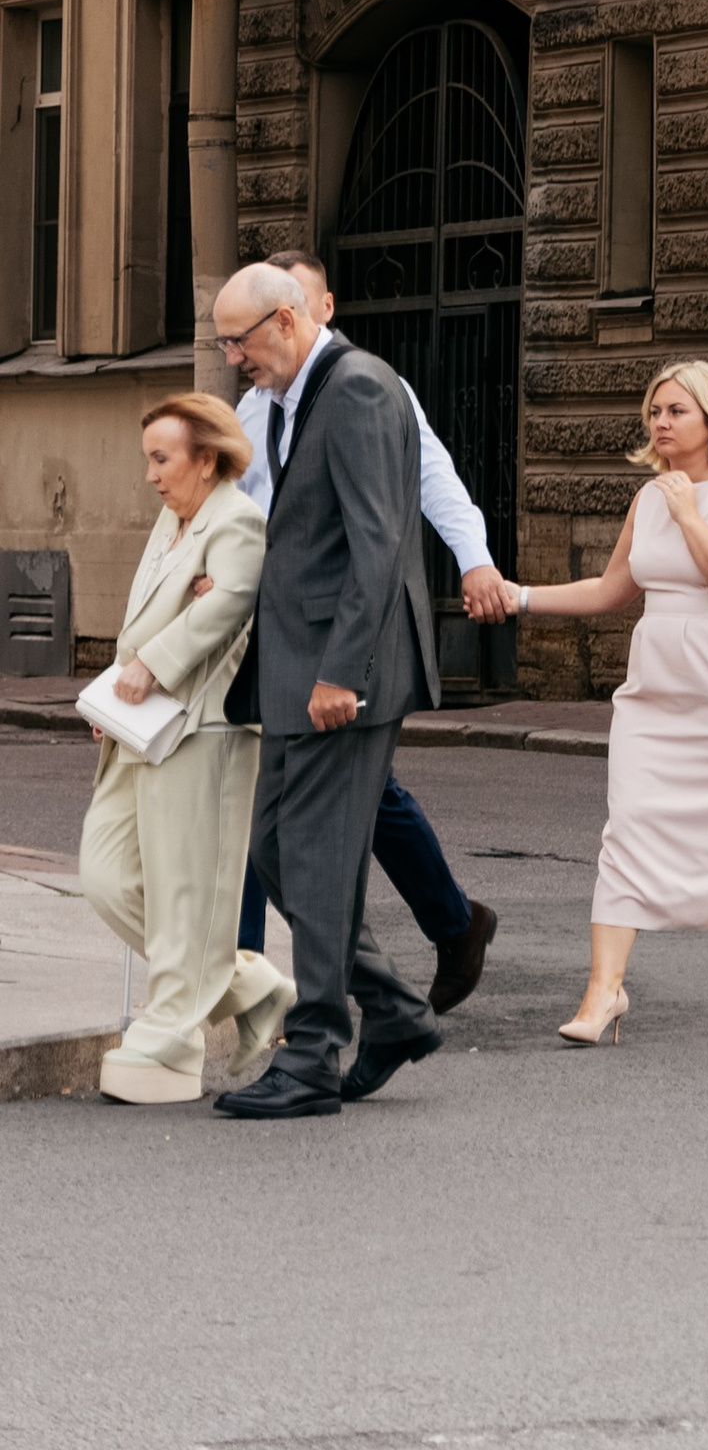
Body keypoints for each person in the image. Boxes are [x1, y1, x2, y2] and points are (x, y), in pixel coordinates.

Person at [233, 247, 501, 1016]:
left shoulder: (363, 389)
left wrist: (474, 561)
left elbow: (416, 495)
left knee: (310, 829)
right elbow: (244, 511)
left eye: (307, 304)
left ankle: (330, 1010)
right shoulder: (259, 402)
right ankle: (388, 986)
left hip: (336, 646)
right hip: (275, 638)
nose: (236, 353)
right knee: (287, 833)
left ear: (316, 310)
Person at [209, 262, 442, 1118]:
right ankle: (393, 1010)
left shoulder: (360, 390)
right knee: (277, 847)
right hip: (295, 667)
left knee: (312, 854)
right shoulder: (290, 395)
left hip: (343, 673)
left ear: (285, 318)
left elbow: (380, 542)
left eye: (239, 340)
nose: (234, 358)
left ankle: (312, 1054)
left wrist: (343, 669)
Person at [504, 361, 708, 1043]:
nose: (660, 424)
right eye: (655, 413)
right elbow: (610, 590)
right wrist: (518, 597)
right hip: (656, 688)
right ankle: (603, 992)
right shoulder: (648, 498)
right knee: (628, 824)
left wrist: (692, 514)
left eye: (675, 412)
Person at [78, 393, 293, 1105]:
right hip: (141, 728)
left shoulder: (237, 519)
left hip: (202, 729)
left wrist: (153, 664)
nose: (150, 475)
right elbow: (155, 616)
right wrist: (115, 692)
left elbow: (229, 602)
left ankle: (172, 1035)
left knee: (184, 890)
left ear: (207, 458)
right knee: (106, 875)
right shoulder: (174, 521)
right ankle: (251, 984)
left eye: (161, 458)